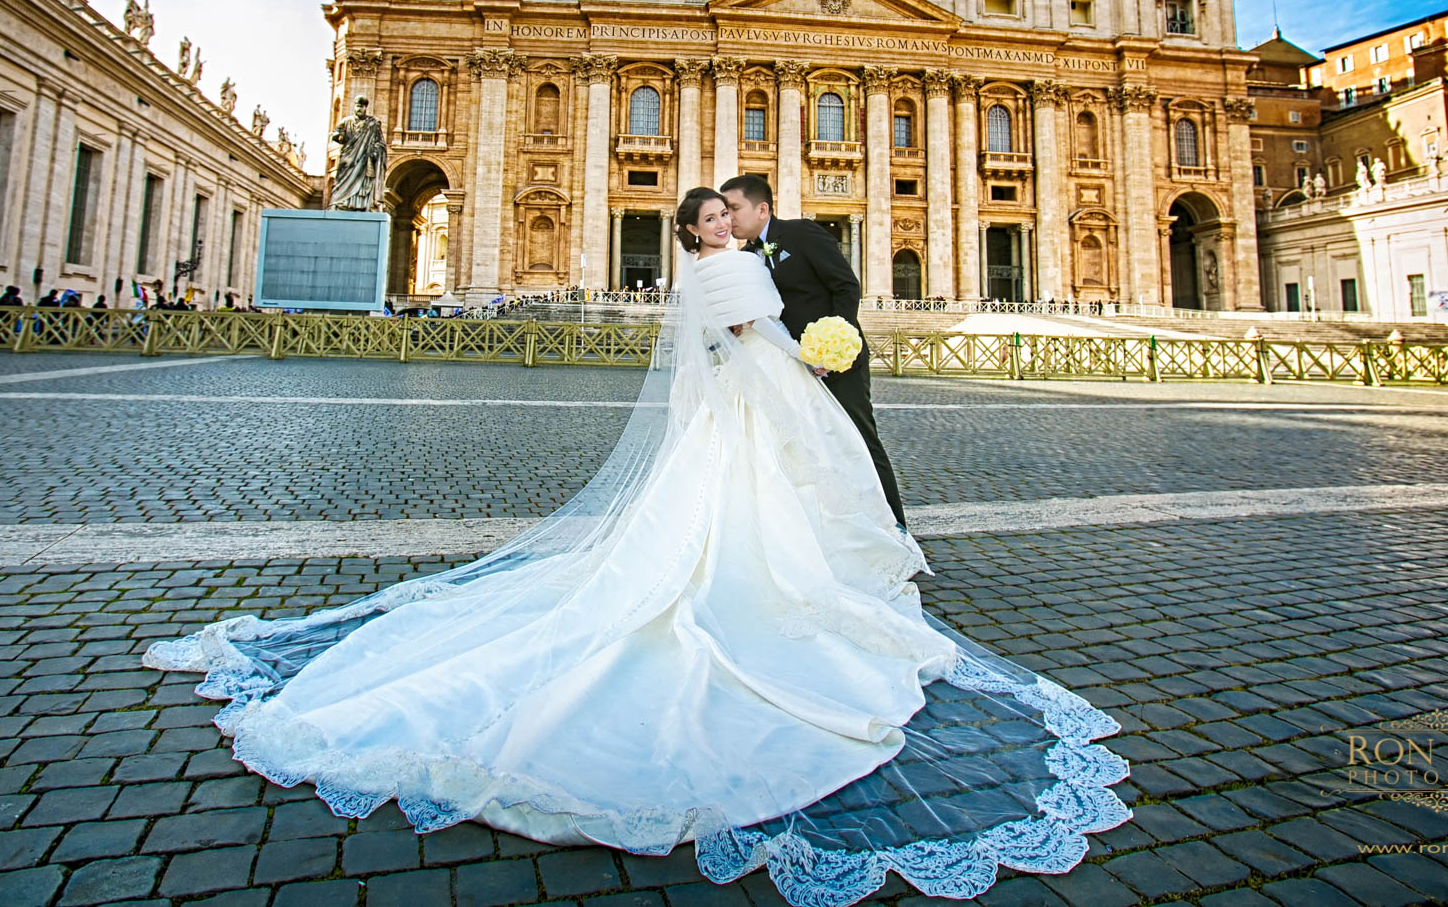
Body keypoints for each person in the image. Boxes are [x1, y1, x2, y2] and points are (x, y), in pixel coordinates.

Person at [143, 187, 1130, 906]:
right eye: (708, 219)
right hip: (758, 389)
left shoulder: (724, 262)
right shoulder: (724, 271)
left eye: (722, 216)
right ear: (697, 229)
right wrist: (811, 351)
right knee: (758, 511)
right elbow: (750, 329)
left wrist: (807, 343)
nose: (720, 226)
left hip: (745, 398)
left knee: (759, 503)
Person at [720, 174, 905, 528]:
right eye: (725, 211)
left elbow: (846, 286)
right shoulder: (747, 256)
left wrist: (836, 342)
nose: (729, 218)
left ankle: (895, 527)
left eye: (734, 209)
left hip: (837, 359)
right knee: (813, 446)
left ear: (762, 209)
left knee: (860, 439)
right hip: (791, 366)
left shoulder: (801, 233)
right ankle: (837, 530)